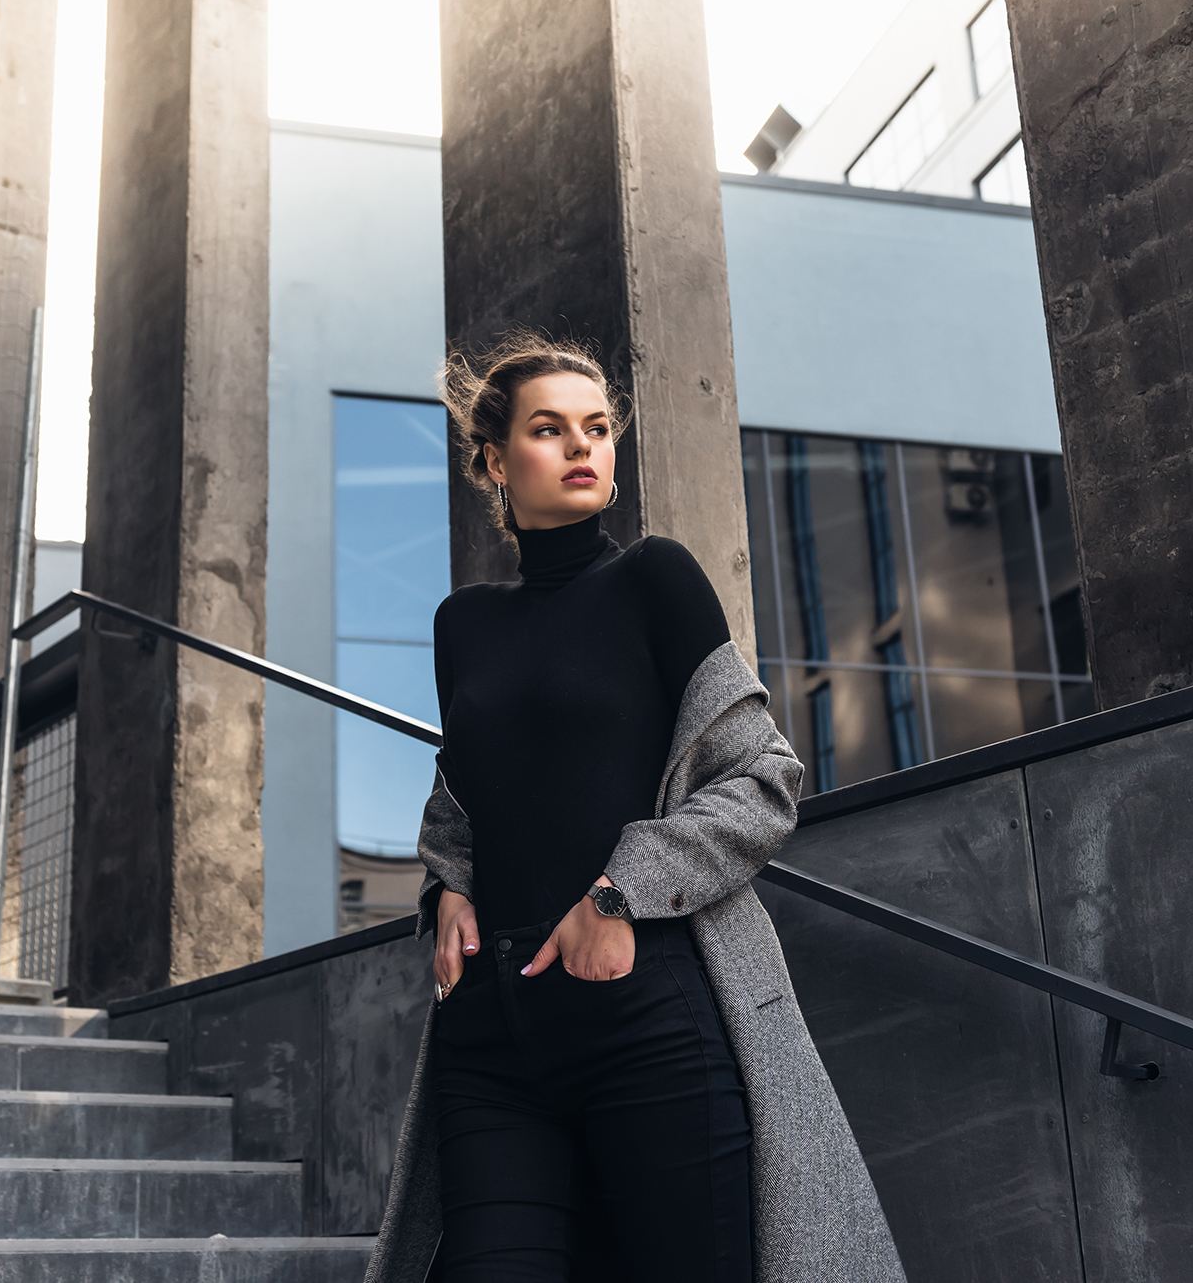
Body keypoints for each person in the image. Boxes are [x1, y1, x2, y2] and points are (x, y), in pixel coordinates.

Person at [363, 335, 906, 1283]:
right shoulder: (464, 625)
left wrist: (618, 896)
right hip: (494, 1032)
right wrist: (448, 885)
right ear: (495, 461)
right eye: (549, 428)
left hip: (646, 1009)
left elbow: (761, 775)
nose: (582, 445)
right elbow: (470, 787)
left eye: (597, 427)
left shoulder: (656, 579)